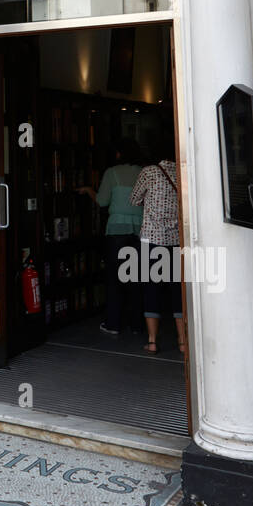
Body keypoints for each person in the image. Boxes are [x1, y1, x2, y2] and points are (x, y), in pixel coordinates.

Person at [78, 137, 143, 336]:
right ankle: (138, 325)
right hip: (139, 230)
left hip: (117, 232)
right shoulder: (143, 173)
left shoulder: (112, 173)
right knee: (136, 278)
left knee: (115, 278)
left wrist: (89, 190)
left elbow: (102, 201)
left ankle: (113, 323)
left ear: (119, 153)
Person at [129, 140, 185, 356]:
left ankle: (152, 342)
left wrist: (150, 201)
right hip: (176, 240)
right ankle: (182, 342)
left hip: (151, 239)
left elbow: (134, 200)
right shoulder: (182, 172)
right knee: (177, 289)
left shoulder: (149, 172)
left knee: (151, 288)